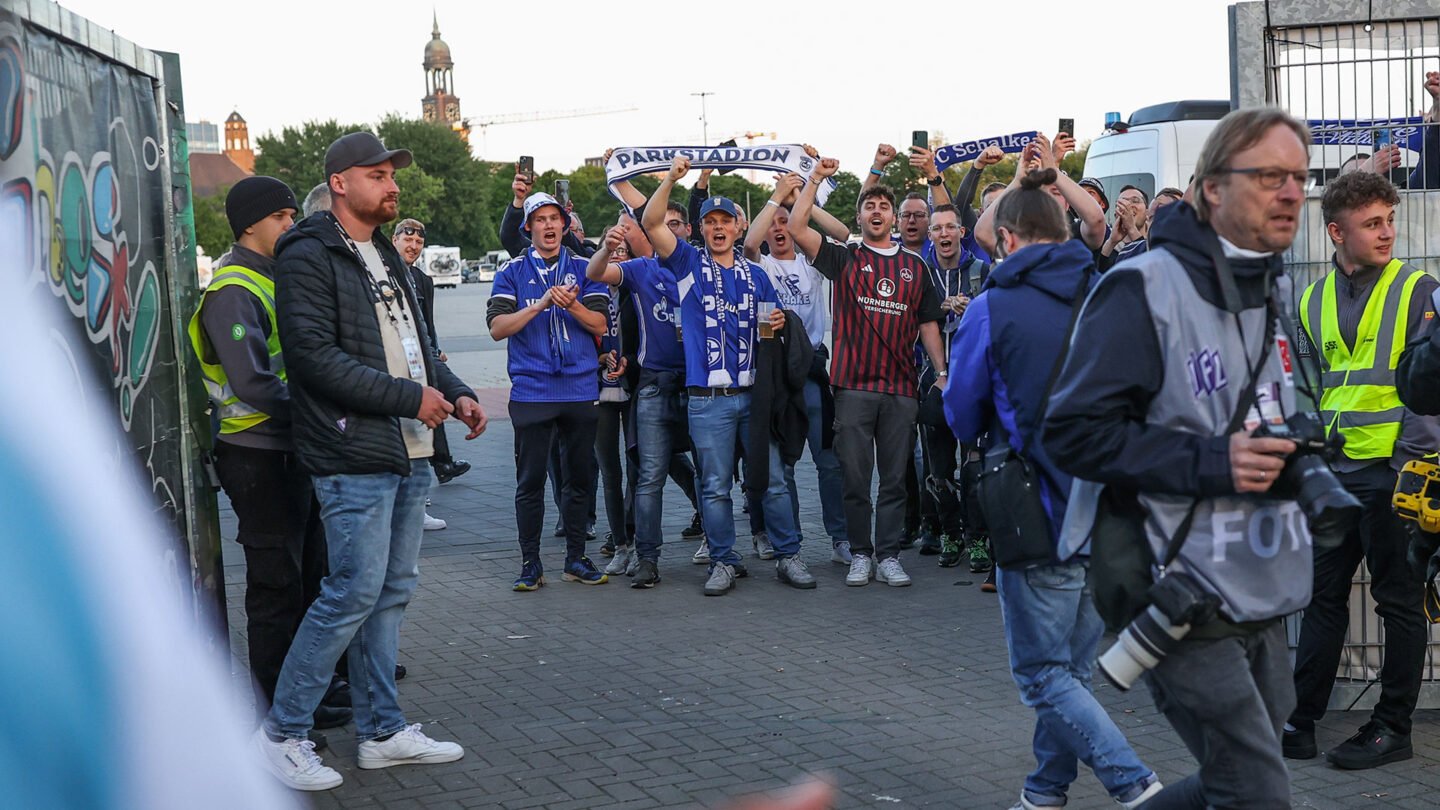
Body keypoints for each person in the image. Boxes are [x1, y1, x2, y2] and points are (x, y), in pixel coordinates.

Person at [1043, 108, 1317, 808]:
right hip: (1172, 582)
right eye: (1268, 177)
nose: (1290, 192)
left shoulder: (1271, 284)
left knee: (1240, 775)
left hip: (1256, 575)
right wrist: (1215, 461)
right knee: (1259, 794)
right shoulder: (1143, 287)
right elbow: (1073, 432)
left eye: (1298, 177)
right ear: (1212, 188)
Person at [258, 131, 487, 790]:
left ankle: (381, 732)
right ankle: (280, 734)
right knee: (350, 593)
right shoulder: (309, 252)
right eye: (378, 175)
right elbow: (313, 358)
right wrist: (412, 397)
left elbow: (416, 346)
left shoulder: (385, 253)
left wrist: (458, 392)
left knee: (389, 594)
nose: (392, 186)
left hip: (407, 449)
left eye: (392, 175)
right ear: (340, 182)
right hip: (352, 447)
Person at [944, 167, 1162, 810]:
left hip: (1036, 509)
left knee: (1042, 677)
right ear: (1065, 231)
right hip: (1110, 509)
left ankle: (1136, 785)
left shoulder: (991, 306)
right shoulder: (1108, 293)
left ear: (1007, 239)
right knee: (1068, 674)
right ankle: (1045, 792)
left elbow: (960, 412)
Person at [1284, 170, 1439, 769]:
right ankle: (1302, 719)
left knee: (1397, 602)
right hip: (1335, 470)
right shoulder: (1311, 299)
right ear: (1335, 232)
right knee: (1322, 598)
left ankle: (1392, 727)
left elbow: (1430, 387)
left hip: (1396, 472)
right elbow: (1307, 387)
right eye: (1372, 223)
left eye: (1390, 220)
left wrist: (1411, 466)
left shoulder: (1418, 289)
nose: (1387, 233)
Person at [188, 176, 352, 732]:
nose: (291, 225)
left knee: (307, 577)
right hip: (256, 455)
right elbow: (254, 384)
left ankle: (304, 698)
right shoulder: (233, 288)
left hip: (289, 448)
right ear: (251, 224)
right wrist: (322, 412)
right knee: (275, 585)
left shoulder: (274, 277)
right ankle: (274, 711)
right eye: (283, 217)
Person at [641, 155, 809, 597]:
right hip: (706, 399)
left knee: (771, 481)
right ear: (699, 230)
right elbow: (652, 221)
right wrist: (672, 180)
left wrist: (773, 327)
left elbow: (773, 331)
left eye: (725, 221)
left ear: (739, 227)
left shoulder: (758, 275)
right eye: (709, 221)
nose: (717, 228)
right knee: (714, 487)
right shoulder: (687, 265)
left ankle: (788, 555)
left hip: (754, 396)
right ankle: (722, 561)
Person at [788, 157, 948, 588]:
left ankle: (889, 555)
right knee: (856, 479)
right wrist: (815, 180)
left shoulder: (915, 266)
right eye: (869, 206)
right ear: (859, 216)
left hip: (900, 389)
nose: (876, 211)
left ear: (894, 217)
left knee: (896, 478)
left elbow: (928, 322)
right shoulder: (846, 258)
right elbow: (799, 227)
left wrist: (941, 372)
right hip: (853, 386)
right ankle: (860, 553)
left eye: (883, 206)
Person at [488, 192, 611, 591]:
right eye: (539, 219)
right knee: (530, 482)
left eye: (554, 218)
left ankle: (575, 558)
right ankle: (530, 562)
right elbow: (497, 328)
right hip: (532, 391)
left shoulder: (585, 266)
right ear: (528, 228)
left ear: (564, 224)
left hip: (578, 388)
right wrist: (541, 304)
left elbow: (600, 325)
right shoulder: (512, 271)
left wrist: (572, 306)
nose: (549, 225)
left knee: (578, 480)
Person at [746, 172, 853, 565]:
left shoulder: (812, 264)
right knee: (784, 465)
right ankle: (787, 539)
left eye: (786, 223)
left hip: (813, 373)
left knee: (829, 461)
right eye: (775, 223)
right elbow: (750, 242)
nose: (780, 229)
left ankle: (840, 538)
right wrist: (777, 197)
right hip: (777, 377)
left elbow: (842, 235)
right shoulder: (762, 267)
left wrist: (803, 198)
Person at [919, 203, 989, 571]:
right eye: (937, 229)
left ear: (962, 232)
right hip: (934, 383)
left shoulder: (981, 271)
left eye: (950, 227)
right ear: (929, 236)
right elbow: (909, 324)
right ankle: (950, 532)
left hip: (974, 385)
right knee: (939, 469)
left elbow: (997, 317)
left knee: (975, 465)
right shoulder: (920, 273)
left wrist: (972, 307)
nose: (944, 234)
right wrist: (936, 310)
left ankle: (977, 537)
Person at [392, 219, 471, 509]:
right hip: (399, 360)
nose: (413, 246)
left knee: (430, 411)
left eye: (418, 243)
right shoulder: (387, 275)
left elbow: (428, 319)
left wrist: (435, 349)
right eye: (407, 240)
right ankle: (431, 475)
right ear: (394, 240)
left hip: (423, 356)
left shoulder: (423, 280)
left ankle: (435, 470)